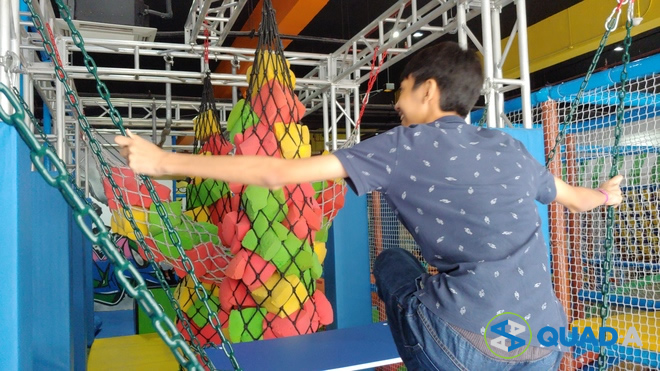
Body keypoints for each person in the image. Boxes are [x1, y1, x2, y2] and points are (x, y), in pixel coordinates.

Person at [116, 41, 623, 370]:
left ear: (428, 91)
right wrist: (610, 193)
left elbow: (275, 172)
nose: (397, 104)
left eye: (400, 92)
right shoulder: (510, 147)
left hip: (465, 339)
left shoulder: (404, 144)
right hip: (543, 337)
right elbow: (580, 201)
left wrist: (164, 162)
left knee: (391, 263)